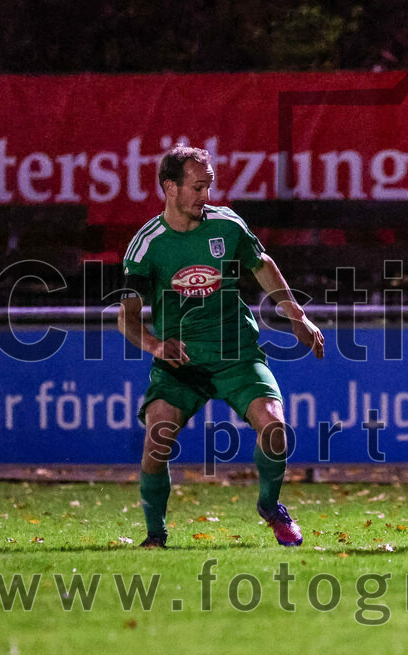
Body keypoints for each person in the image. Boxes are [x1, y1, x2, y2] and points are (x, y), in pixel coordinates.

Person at [119, 145, 325, 548]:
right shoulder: (146, 245)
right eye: (197, 187)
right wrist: (156, 346)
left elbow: (261, 263)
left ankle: (270, 506)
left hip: (237, 355)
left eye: (208, 186)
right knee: (156, 441)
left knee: (275, 429)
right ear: (170, 188)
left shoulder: (227, 225)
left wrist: (296, 315)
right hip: (181, 363)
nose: (205, 196)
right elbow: (126, 318)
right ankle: (155, 535)